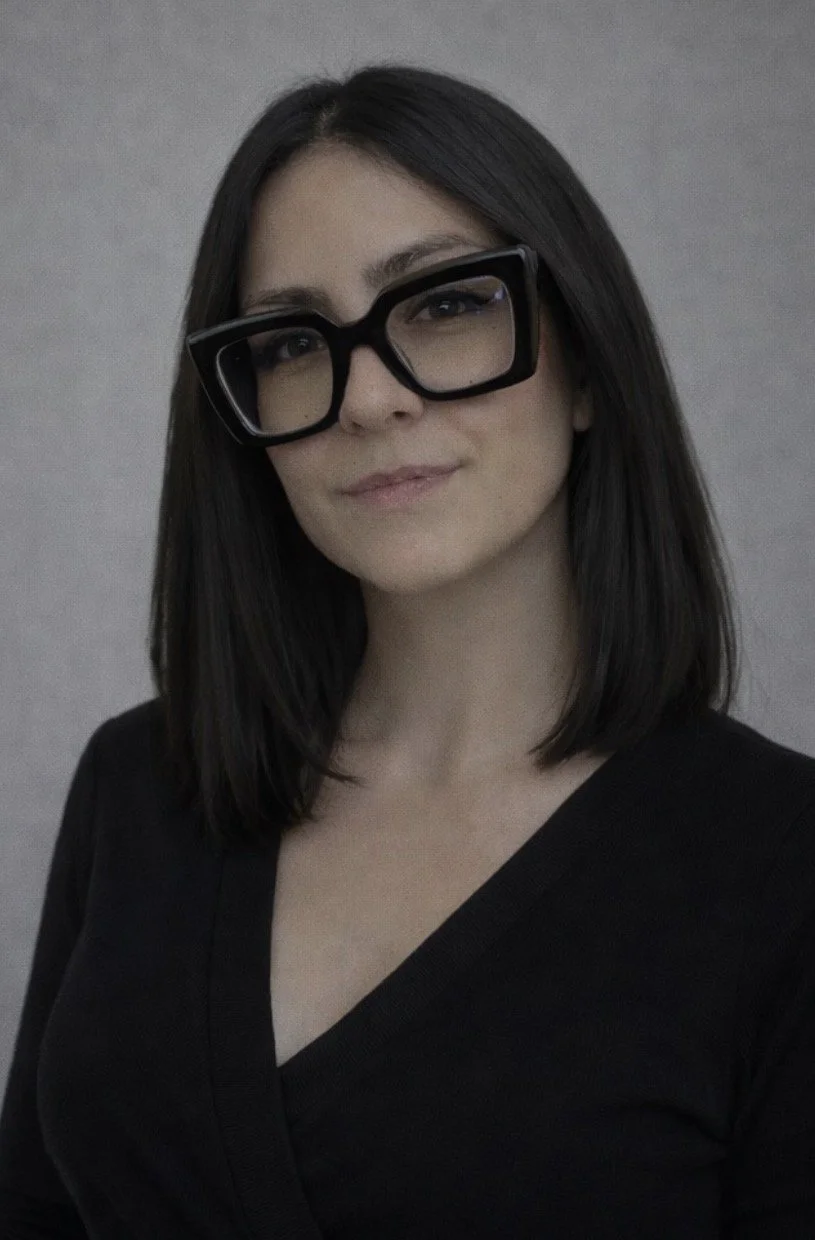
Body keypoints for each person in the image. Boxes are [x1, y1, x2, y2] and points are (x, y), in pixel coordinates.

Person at [1, 60, 814, 1239]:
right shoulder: (138, 786)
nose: (368, 399)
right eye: (289, 342)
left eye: (441, 303)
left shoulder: (781, 866)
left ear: (582, 361)